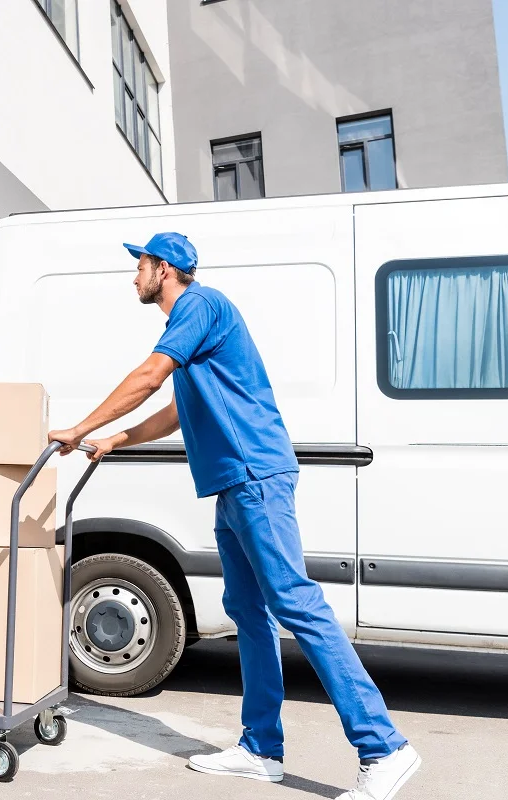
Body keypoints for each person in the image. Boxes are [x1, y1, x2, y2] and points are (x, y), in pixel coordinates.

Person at [48, 232, 421, 800]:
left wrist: (79, 427)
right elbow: (175, 409)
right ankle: (261, 749)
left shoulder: (201, 306)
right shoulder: (192, 329)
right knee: (248, 609)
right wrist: (116, 438)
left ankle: (384, 747)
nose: (133, 277)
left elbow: (149, 377)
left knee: (294, 600)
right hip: (233, 484)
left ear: (163, 268)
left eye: (139, 265)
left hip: (255, 476)